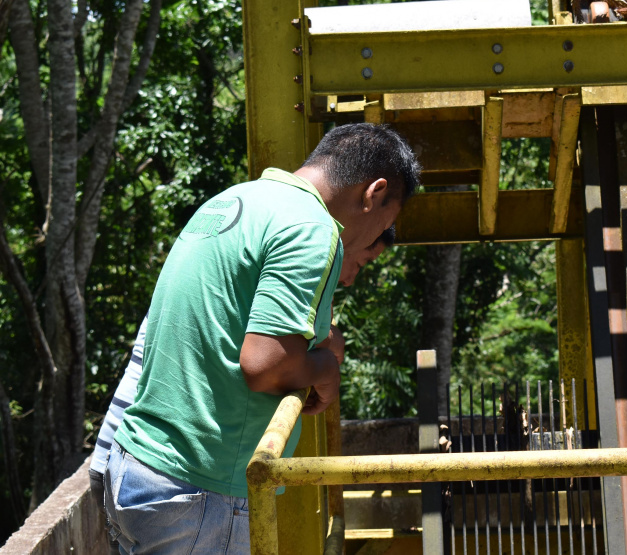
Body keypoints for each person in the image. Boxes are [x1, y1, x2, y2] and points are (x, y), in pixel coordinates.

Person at [103, 124, 418, 554]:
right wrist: (326, 370)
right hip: (198, 491)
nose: (376, 232)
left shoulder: (235, 200)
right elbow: (268, 365)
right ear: (374, 192)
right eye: (388, 218)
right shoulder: (313, 228)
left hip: (135, 468)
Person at [88, 228, 395, 554]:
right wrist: (328, 357)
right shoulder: (299, 259)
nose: (349, 279)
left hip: (119, 462)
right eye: (361, 262)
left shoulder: (227, 263)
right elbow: (279, 356)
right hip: (176, 483)